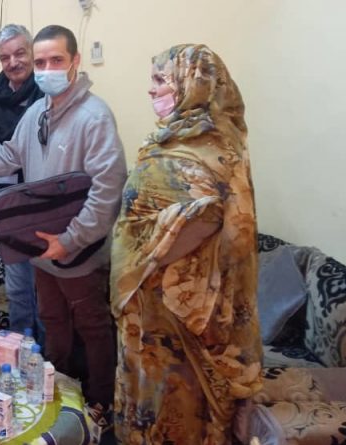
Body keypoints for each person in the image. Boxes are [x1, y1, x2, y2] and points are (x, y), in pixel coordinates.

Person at [0, 25, 126, 431]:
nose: (47, 69)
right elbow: (7, 156)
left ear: (75, 61)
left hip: (80, 252)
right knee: (53, 323)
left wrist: (69, 241)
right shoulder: (37, 113)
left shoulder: (95, 117)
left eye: (56, 60)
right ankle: (62, 395)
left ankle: (101, 405)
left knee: (93, 327)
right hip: (42, 249)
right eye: (41, 62)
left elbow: (107, 192)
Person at [109, 44, 262, 444]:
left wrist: (145, 254)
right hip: (146, 305)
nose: (151, 89)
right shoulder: (167, 139)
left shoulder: (216, 149)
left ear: (191, 83)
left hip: (186, 307)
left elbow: (213, 221)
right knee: (147, 398)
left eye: (160, 80)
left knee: (180, 408)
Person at [0, 24, 44, 342]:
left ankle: (48, 359)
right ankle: (19, 353)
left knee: (45, 293)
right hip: (9, 208)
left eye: (19, 53)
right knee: (17, 290)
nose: (13, 62)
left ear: (32, 52)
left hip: (43, 207)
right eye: (5, 57)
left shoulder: (47, 93)